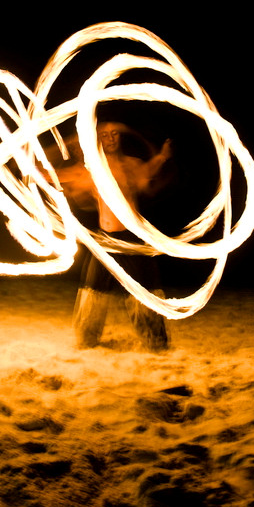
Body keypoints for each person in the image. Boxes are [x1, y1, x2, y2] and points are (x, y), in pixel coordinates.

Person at [51, 121, 173, 352]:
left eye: (115, 133)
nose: (110, 138)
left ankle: (156, 343)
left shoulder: (131, 164)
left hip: (131, 240)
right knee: (92, 291)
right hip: (105, 241)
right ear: (98, 139)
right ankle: (87, 343)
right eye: (105, 135)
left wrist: (163, 157)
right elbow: (52, 175)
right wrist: (37, 155)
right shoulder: (91, 169)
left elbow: (147, 172)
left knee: (144, 292)